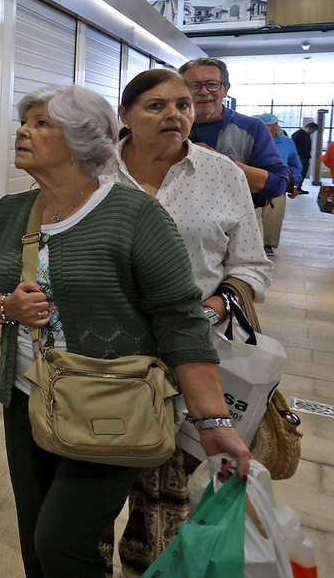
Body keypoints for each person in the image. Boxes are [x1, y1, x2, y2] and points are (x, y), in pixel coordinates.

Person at [0, 84, 249, 578]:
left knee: (63, 540)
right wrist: (6, 306)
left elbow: (179, 320)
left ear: (83, 139)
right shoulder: (10, 212)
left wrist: (212, 421)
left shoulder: (136, 216)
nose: (23, 132)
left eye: (42, 123)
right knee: (36, 540)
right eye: (24, 122)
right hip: (29, 400)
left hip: (116, 406)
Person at [106, 70, 270, 572]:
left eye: (182, 105)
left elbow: (250, 265)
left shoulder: (222, 174)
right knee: (90, 496)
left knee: (167, 500)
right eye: (156, 106)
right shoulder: (94, 171)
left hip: (191, 362)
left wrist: (217, 305)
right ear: (124, 116)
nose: (175, 115)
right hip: (104, 361)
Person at [178, 58, 290, 208]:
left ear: (225, 89)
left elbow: (278, 183)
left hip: (238, 219)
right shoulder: (169, 127)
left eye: (212, 84)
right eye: (194, 85)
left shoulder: (251, 128)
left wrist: (220, 162)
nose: (204, 92)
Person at [255, 115, 302, 255]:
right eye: (270, 124)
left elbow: (295, 165)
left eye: (275, 123)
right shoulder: (252, 140)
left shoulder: (287, 143)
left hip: (278, 183)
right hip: (255, 182)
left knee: (274, 215)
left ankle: (268, 244)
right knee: (253, 215)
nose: (274, 127)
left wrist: (295, 184)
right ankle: (255, 244)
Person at [291, 120, 317, 193]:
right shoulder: (298, 134)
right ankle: (296, 188)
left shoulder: (306, 135)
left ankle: (299, 187)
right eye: (313, 130)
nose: (312, 132)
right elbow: (292, 145)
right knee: (299, 173)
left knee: (303, 173)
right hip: (300, 157)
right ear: (308, 128)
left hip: (305, 157)